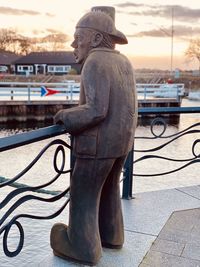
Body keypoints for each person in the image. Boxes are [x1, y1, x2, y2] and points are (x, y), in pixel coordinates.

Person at [50, 6, 138, 266]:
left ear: (97, 38)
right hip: (121, 143)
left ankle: (82, 247)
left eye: (79, 37)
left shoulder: (95, 61)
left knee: (84, 195)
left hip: (96, 145)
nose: (73, 43)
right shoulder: (124, 62)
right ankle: (112, 235)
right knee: (111, 188)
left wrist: (66, 115)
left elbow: (97, 110)